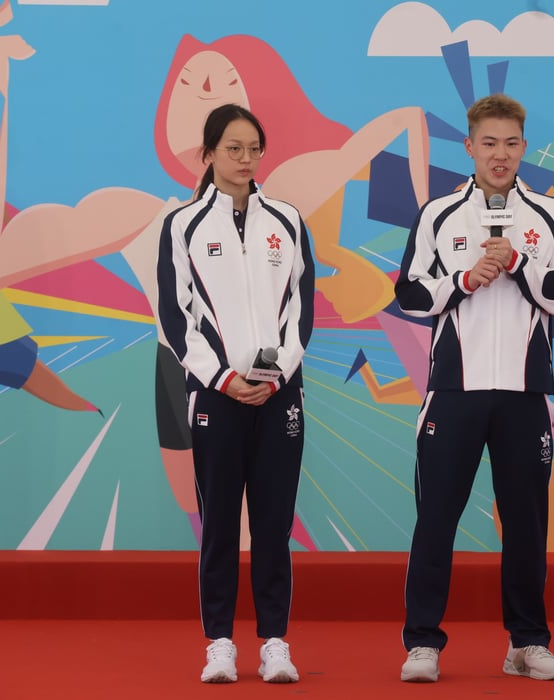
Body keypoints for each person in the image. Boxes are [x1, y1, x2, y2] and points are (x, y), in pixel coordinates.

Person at [394, 94, 554, 683]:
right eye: (489, 143)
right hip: (454, 391)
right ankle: (422, 644)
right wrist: (463, 279)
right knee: (436, 520)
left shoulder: (549, 216)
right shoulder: (438, 215)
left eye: (511, 143)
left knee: (527, 523)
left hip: (524, 394)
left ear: (524, 148)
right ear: (470, 147)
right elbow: (409, 295)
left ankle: (527, 643)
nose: (500, 155)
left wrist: (520, 264)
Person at [156, 103, 314, 684]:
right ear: (209, 154)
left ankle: (275, 641)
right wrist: (222, 378)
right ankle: (219, 642)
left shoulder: (288, 220)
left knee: (274, 522)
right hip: (216, 396)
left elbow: (304, 307)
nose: (245, 160)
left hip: (280, 396)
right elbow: (175, 319)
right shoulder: (184, 225)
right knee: (221, 520)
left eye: (253, 149)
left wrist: (276, 376)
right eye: (232, 149)